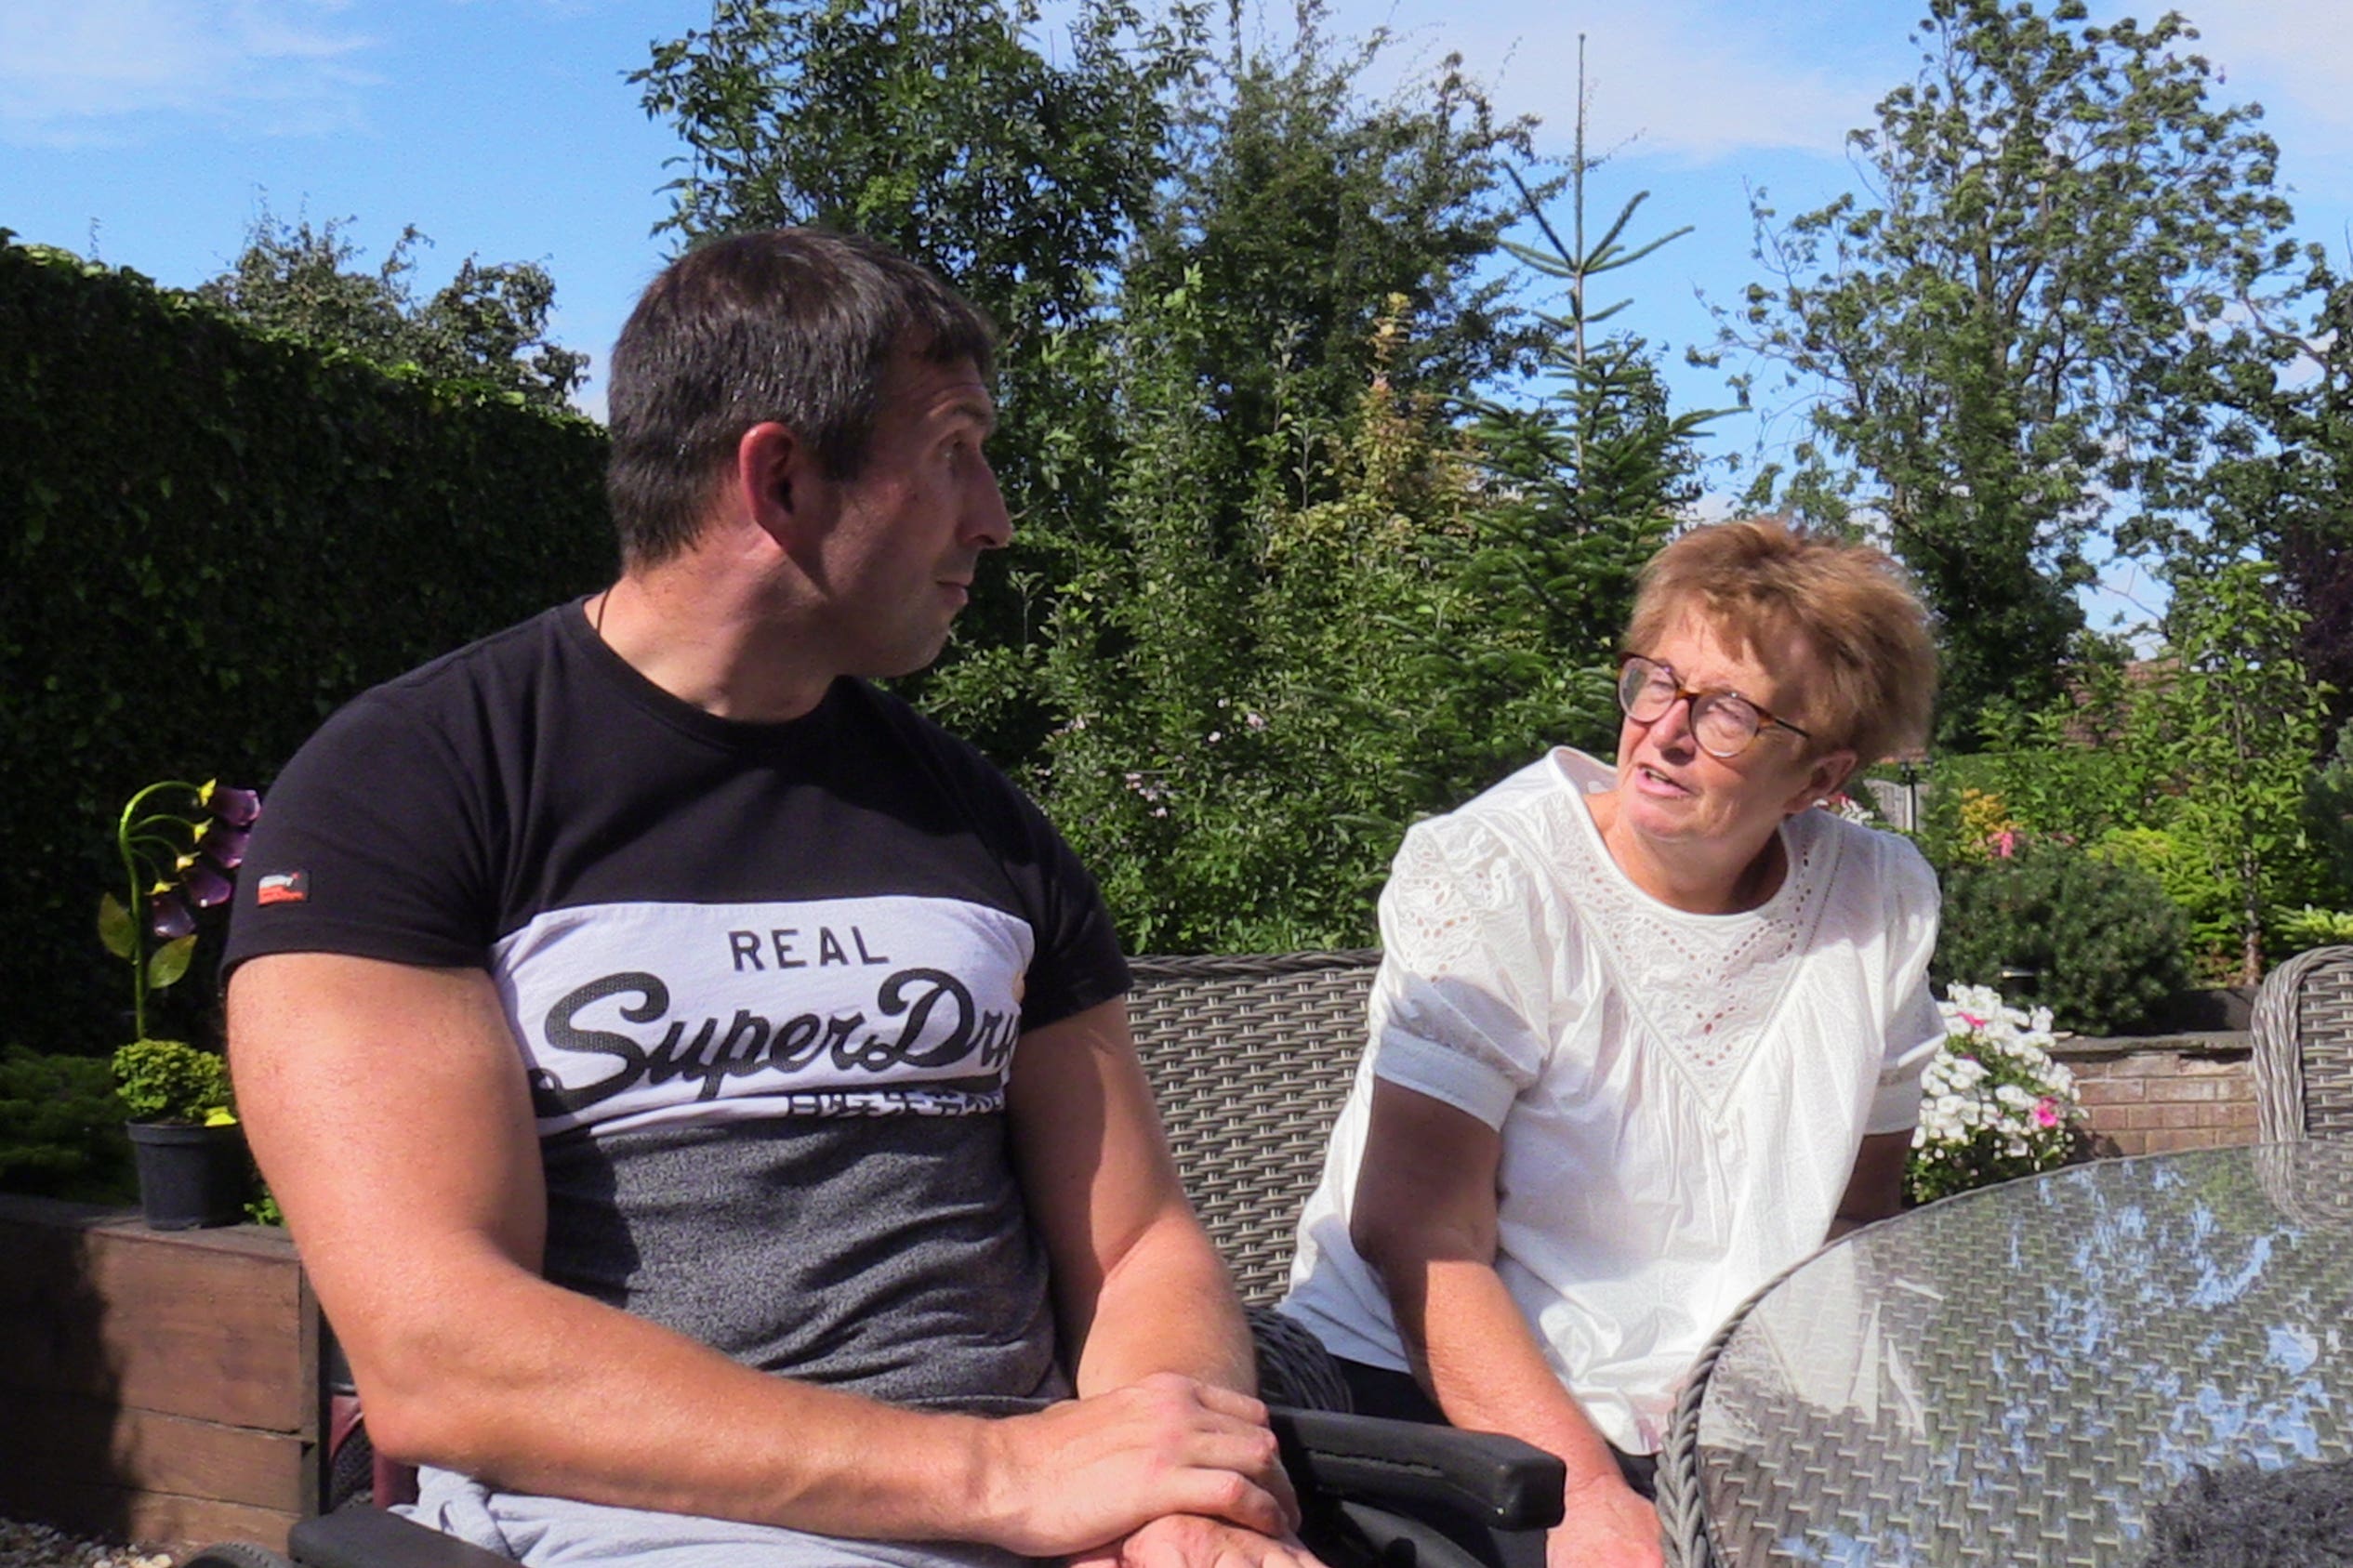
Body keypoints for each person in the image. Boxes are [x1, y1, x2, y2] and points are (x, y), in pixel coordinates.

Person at [224, 229, 1313, 1568]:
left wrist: (1169, 1497)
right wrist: (990, 1473)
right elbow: (443, 1352)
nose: (996, 516)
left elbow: (1138, 1240)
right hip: (649, 1518)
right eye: (954, 447)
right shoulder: (413, 786)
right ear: (780, 475)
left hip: (1048, 1503)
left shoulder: (977, 824)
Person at [1279, 519, 1944, 1568]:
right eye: (1657, 683)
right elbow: (1417, 1233)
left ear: (1820, 777)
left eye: (1727, 711)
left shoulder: (1876, 904)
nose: (1665, 732)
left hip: (1712, 1427)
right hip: (1435, 1404)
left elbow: (1857, 1218)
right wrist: (1584, 1497)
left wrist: (1770, 1390)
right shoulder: (1496, 875)